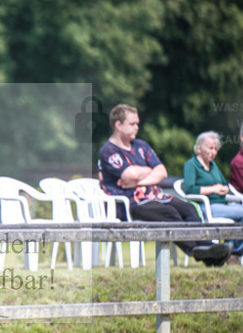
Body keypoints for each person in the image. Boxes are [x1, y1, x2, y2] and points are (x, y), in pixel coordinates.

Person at [98, 104, 231, 266]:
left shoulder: (141, 146)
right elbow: (129, 174)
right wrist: (149, 170)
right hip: (132, 203)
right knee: (169, 212)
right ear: (118, 125)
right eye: (132, 124)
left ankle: (207, 249)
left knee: (189, 208)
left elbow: (162, 172)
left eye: (137, 123)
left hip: (156, 196)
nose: (137, 127)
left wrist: (140, 179)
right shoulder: (109, 150)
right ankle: (197, 251)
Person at [182, 131, 243, 261]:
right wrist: (213, 189)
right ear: (199, 148)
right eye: (210, 148)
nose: (214, 152)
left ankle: (230, 250)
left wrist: (225, 188)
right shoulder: (191, 165)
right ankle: (233, 253)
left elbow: (225, 184)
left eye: (215, 149)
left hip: (223, 204)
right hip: (206, 207)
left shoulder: (213, 165)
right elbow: (190, 189)